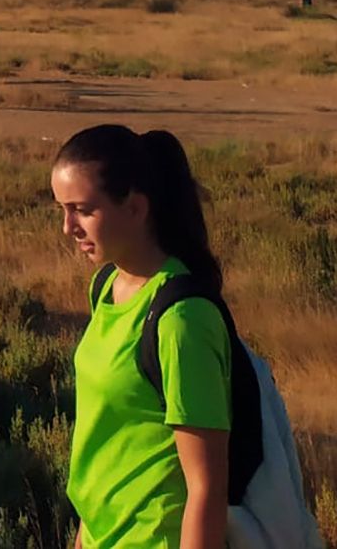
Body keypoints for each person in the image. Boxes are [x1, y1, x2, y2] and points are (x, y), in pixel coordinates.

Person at [50, 125, 231, 549]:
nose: (67, 227)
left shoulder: (182, 319)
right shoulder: (106, 286)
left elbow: (206, 487)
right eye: (61, 209)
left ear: (135, 208)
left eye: (82, 210)